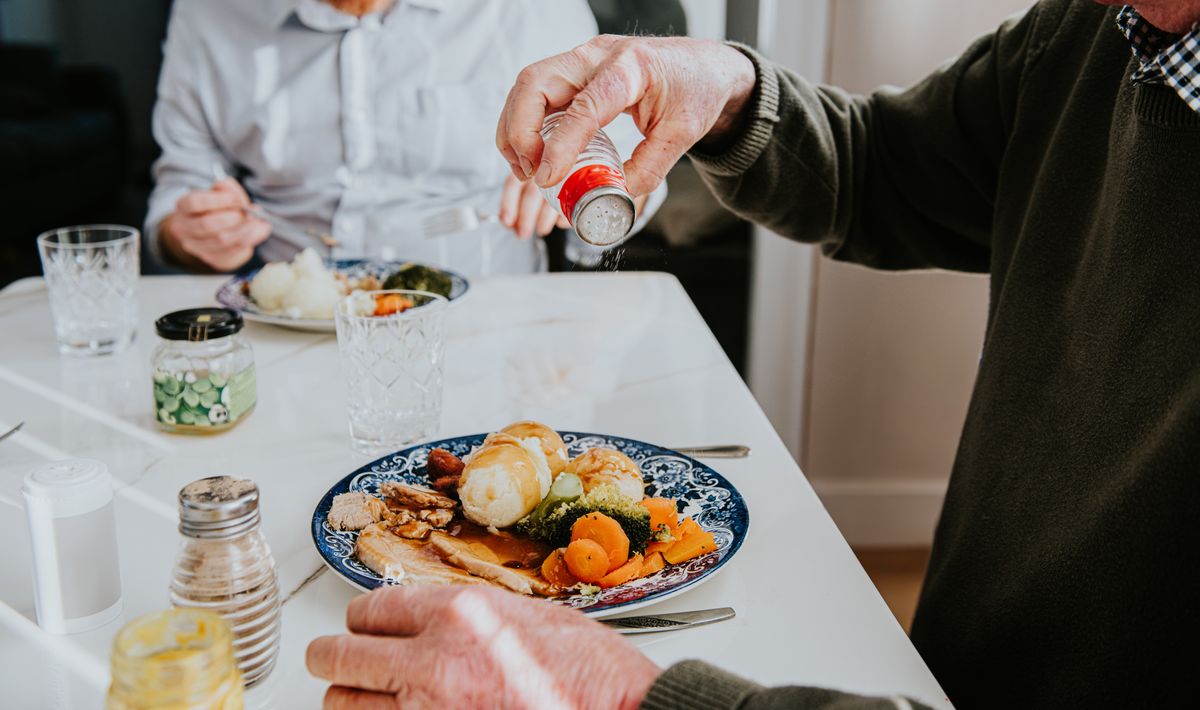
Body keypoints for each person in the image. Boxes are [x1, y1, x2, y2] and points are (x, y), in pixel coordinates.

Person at [307, 0, 1200, 707]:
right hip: (959, 653)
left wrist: (622, 696)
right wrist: (724, 87)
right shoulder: (1087, 33)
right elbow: (878, 166)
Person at [144, 0, 661, 275]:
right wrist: (186, 234)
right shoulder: (208, 11)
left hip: (492, 328)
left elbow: (634, 168)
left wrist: (587, 185)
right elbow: (179, 187)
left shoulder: (524, 6)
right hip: (289, 324)